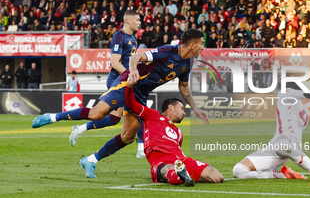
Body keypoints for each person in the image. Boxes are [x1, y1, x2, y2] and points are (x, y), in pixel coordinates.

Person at [32, 29, 208, 178]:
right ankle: (53, 117)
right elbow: (136, 57)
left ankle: (90, 160)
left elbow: (184, 87)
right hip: (127, 84)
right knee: (96, 113)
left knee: (128, 136)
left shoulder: (186, 64)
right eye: (201, 43)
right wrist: (132, 73)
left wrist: (196, 109)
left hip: (141, 93)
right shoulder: (168, 51)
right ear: (192, 45)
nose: (202, 47)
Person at [69, 10, 145, 157]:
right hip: (117, 80)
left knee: (113, 119)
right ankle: (141, 148)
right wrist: (130, 77)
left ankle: (80, 129)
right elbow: (114, 63)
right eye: (137, 20)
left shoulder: (133, 38)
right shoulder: (119, 36)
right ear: (128, 21)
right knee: (139, 109)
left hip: (125, 79)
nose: (139, 22)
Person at [124, 74, 223, 186]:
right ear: (170, 107)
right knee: (168, 169)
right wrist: (129, 86)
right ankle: (179, 175)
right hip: (161, 162)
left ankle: (183, 175)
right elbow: (131, 104)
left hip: (182, 161)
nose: (184, 113)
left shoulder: (179, 133)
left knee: (217, 177)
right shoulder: (152, 115)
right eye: (181, 109)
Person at [233, 82, 310, 182]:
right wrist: (308, 93)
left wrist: (309, 93)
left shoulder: (285, 94)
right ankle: (282, 174)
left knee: (284, 146)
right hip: (280, 146)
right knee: (239, 170)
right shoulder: (302, 110)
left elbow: (293, 93)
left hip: (284, 142)